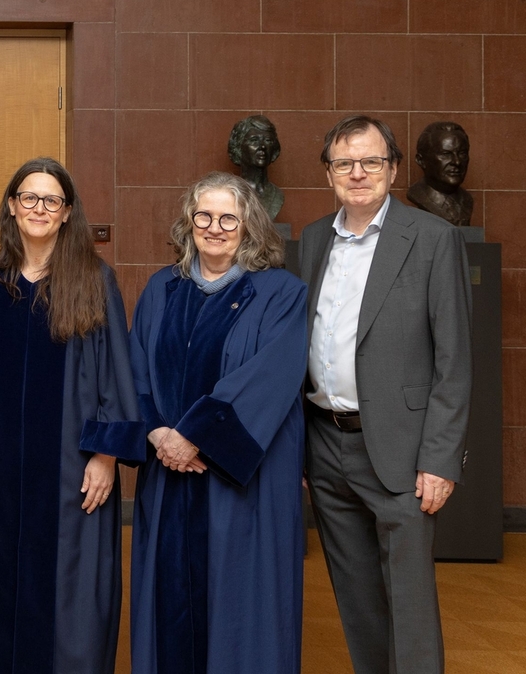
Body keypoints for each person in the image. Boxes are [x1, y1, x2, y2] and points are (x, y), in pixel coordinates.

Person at [0, 158, 142, 674]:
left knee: (72, 593)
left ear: (67, 212)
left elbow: (116, 376)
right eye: (28, 198)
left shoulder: (93, 280)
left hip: (70, 475)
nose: (39, 208)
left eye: (51, 200)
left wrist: (105, 455)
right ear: (12, 207)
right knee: (1, 583)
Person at [300, 115, 472, 674]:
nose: (358, 173)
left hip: (403, 451)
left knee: (410, 601)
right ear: (328, 173)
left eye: (371, 162)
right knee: (356, 597)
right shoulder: (312, 238)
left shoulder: (432, 238)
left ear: (393, 169)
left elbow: (454, 360)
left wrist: (440, 459)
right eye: (344, 163)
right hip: (326, 445)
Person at [128, 171, 308, 674]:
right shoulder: (163, 288)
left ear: (250, 226)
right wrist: (159, 432)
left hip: (239, 482)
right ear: (188, 223)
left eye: (228, 217)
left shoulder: (279, 293)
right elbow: (134, 367)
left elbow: (271, 376)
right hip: (168, 473)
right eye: (203, 216)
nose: (214, 227)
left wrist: (195, 436)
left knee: (239, 596)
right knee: (171, 593)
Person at [406, 119, 474, 226]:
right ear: (421, 160)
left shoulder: (466, 201)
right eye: (446, 154)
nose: (457, 162)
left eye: (462, 154)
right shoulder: (418, 195)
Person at [227, 114, 284, 220]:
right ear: (238, 147)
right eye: (254, 140)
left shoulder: (277, 195)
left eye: (268, 141)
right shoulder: (229, 193)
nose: (262, 146)